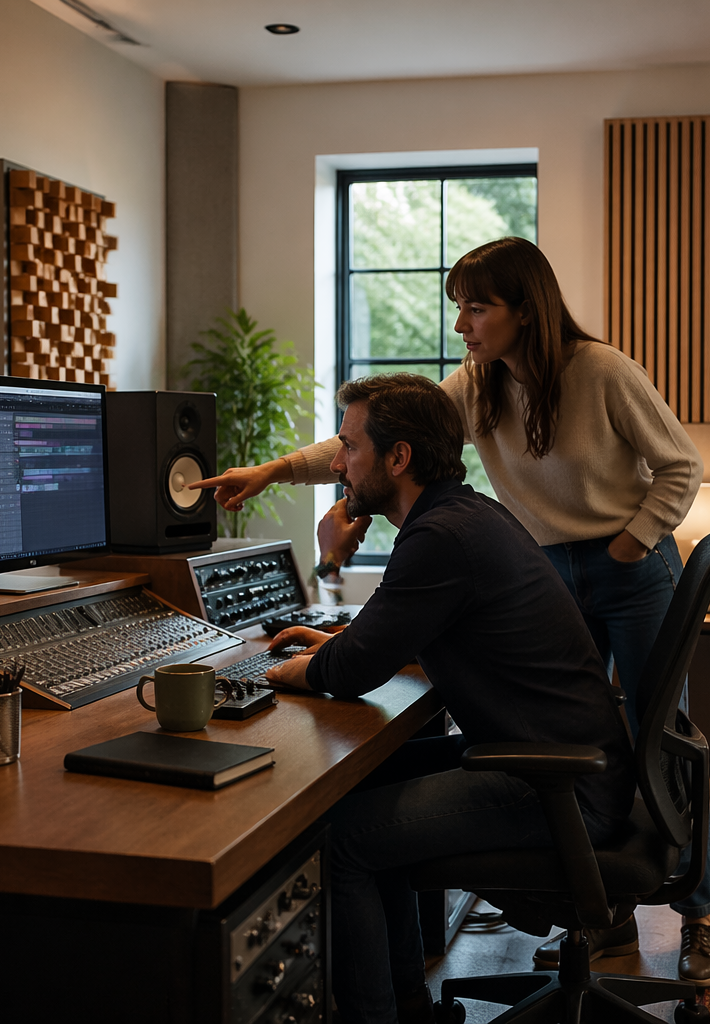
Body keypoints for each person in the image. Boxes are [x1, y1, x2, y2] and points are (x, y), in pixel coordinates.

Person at [193, 236, 710, 984]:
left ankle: (700, 915)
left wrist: (631, 546)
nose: (462, 325)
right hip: (552, 561)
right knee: (568, 720)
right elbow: (377, 435)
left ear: (525, 310)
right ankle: (603, 913)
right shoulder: (479, 384)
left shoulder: (601, 371)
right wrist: (274, 470)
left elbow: (682, 464)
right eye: (459, 308)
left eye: (477, 307)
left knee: (659, 742)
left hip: (627, 563)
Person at [263, 372, 635, 1024]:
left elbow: (351, 671)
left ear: (398, 457)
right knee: (354, 793)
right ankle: (409, 1005)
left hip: (558, 784)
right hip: (564, 761)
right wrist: (333, 642)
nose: (339, 464)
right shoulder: (463, 515)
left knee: (343, 840)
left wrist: (280, 672)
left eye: (350, 447)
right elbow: (393, 635)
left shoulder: (439, 537)